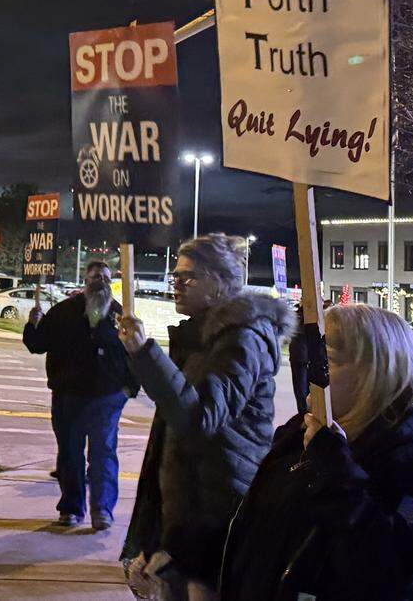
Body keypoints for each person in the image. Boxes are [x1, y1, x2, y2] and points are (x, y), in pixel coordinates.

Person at [219, 303, 413, 601]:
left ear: (374, 373)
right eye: (311, 357)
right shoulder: (301, 435)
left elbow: (393, 570)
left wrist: (335, 471)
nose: (310, 370)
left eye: (325, 360)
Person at [117, 233, 294, 600]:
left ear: (219, 283)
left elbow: (200, 418)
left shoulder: (241, 339)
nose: (177, 285)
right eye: (175, 276)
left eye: (188, 277)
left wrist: (145, 353)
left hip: (218, 518)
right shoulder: (204, 339)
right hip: (191, 518)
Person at [22, 260, 139, 531]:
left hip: (107, 397)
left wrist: (129, 388)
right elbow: (37, 345)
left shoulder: (120, 315)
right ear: (85, 282)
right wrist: (32, 325)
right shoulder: (64, 311)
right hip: (69, 396)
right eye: (96, 277)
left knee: (103, 453)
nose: (101, 282)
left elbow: (132, 353)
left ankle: (102, 510)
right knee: (70, 454)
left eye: (106, 278)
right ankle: (71, 509)